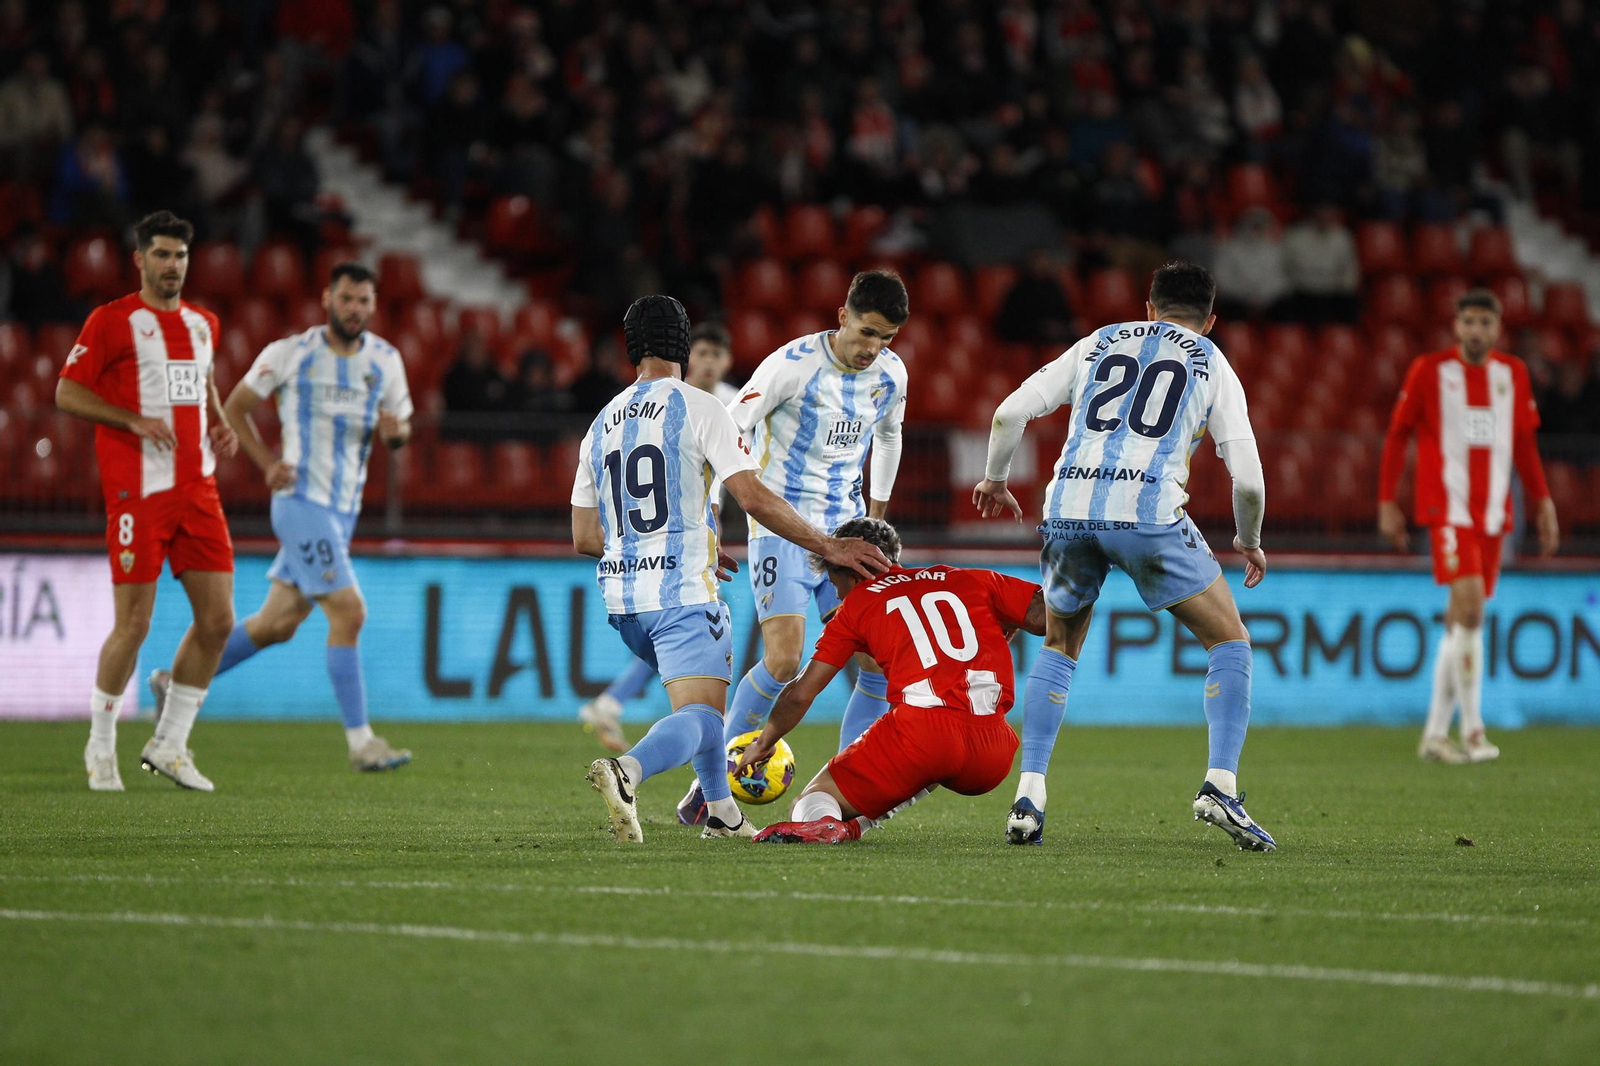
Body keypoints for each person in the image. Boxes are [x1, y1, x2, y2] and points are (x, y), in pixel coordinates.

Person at [973, 261, 1276, 852]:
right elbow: (1249, 481)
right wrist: (1248, 539)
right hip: (1147, 516)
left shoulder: (1098, 341)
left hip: (1067, 510)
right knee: (1230, 641)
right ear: (1210, 321)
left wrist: (995, 479)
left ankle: (1028, 796)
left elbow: (1008, 412)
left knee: (1059, 645)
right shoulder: (1212, 361)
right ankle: (1220, 785)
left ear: (1149, 308)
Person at [573, 295, 889, 843]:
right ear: (682, 344)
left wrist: (679, 543)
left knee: (700, 709)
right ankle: (628, 770)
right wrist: (829, 546)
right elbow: (754, 497)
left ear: (631, 349)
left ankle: (721, 812)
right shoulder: (700, 406)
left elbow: (584, 538)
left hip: (624, 603)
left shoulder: (600, 424)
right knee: (704, 720)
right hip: (680, 594)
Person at [152, 262, 415, 771]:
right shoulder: (292, 352)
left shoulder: (385, 360)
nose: (354, 309)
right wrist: (267, 464)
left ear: (374, 305)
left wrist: (395, 433)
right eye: (346, 298)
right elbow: (234, 407)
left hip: (342, 514)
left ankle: (173, 681)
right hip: (300, 504)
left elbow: (402, 428)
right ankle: (361, 743)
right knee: (349, 612)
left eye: (363, 300)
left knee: (277, 624)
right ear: (327, 299)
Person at [676, 270, 910, 827]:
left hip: (847, 535)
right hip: (783, 527)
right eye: (867, 333)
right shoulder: (791, 365)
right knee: (784, 660)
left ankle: (853, 791)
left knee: (877, 663)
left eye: (886, 338)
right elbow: (729, 429)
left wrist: (876, 518)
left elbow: (889, 436)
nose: (873, 349)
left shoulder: (892, 374)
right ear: (842, 317)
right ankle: (710, 786)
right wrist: (712, 514)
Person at [56, 210, 240, 792]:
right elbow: (66, 391)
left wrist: (220, 423)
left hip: (198, 489)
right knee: (133, 625)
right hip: (139, 493)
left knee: (219, 620)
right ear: (139, 259)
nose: (172, 265)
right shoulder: (112, 322)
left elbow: (202, 384)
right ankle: (100, 746)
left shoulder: (204, 324)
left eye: (180, 255)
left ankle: (169, 744)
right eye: (161, 254)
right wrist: (130, 419)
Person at [737, 518, 1046, 844]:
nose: (837, 593)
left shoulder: (857, 604)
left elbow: (801, 694)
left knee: (812, 799)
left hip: (922, 736)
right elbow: (1046, 616)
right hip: (994, 752)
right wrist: (1010, 619)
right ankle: (856, 828)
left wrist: (764, 741)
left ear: (853, 571)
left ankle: (825, 823)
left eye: (834, 582)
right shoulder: (967, 578)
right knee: (933, 764)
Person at [1378, 290, 1559, 764]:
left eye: (1485, 322)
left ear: (1498, 329)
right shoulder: (1429, 370)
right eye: (1469, 321)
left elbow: (1525, 445)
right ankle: (1474, 730)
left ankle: (1436, 735)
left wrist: (1543, 502)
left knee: (1460, 619)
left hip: (1494, 515)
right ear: (1456, 326)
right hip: (1447, 510)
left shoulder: (1513, 374)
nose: (1476, 330)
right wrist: (1387, 501)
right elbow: (1397, 435)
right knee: (1474, 610)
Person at [576, 321, 737, 753]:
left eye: (716, 354)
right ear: (687, 354)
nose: (708, 362)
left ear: (727, 361)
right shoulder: (698, 404)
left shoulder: (733, 401)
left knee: (677, 640)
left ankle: (614, 703)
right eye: (701, 352)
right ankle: (633, 745)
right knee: (693, 655)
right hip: (679, 546)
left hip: (666, 554)